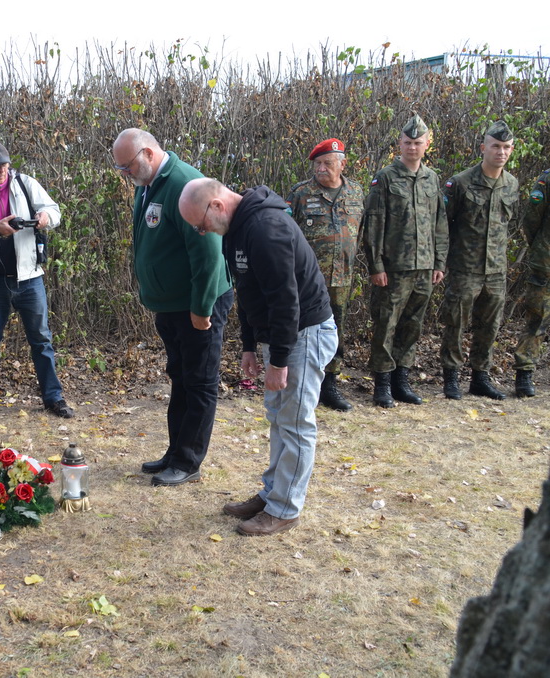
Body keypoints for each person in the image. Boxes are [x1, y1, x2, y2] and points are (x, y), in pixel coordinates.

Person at [179, 178, 337, 537]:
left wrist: (278, 361)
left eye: (201, 225)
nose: (203, 232)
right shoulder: (238, 229)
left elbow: (285, 300)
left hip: (304, 334)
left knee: (295, 423)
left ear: (216, 206)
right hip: (282, 336)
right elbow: (249, 291)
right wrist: (250, 344)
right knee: (279, 417)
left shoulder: (267, 228)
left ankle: (285, 509)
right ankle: (272, 495)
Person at [110, 129, 233, 487]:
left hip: (197, 303)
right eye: (120, 168)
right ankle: (176, 451)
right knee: (180, 377)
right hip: (172, 304)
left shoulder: (185, 184)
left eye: (127, 166)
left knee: (199, 381)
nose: (124, 174)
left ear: (148, 153)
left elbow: (209, 255)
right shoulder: (148, 183)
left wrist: (201, 307)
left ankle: (189, 461)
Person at [0, 141, 74, 418]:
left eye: (6, 165)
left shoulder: (25, 183)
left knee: (42, 340)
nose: (3, 170)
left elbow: (54, 210)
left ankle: (53, 398)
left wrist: (45, 217)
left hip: (29, 278)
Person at [362, 114, 448, 407]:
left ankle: (402, 380)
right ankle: (382, 384)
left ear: (427, 144)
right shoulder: (385, 177)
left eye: (418, 143)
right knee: (386, 325)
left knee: (412, 325)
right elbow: (374, 224)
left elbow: (439, 223)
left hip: (424, 267)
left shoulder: (431, 178)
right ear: (399, 144)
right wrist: (376, 265)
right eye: (408, 142)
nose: (412, 147)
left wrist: (439, 262)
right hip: (394, 267)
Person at [440, 121, 519, 400]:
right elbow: (443, 225)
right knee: (456, 322)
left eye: (506, 147)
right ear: (483, 147)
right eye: (496, 146)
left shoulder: (511, 184)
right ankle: (451, 377)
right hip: (465, 267)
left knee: (490, 325)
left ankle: (480, 378)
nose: (501, 152)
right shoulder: (460, 183)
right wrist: (442, 261)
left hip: (495, 269)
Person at [286, 138, 364, 411]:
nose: (321, 168)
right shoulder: (300, 194)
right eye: (317, 163)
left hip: (341, 276)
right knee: (302, 329)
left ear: (342, 164)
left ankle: (329, 384)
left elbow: (360, 230)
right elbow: (285, 234)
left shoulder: (355, 192)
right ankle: (298, 380)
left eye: (327, 163)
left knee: (336, 329)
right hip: (307, 280)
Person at [513, 166, 550, 397]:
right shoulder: (547, 179)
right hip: (546, 263)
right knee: (537, 319)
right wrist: (541, 247)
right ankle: (524, 373)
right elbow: (531, 219)